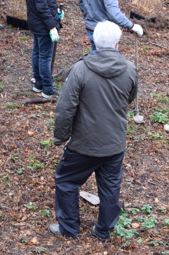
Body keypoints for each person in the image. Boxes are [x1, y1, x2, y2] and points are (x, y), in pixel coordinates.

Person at [50, 20, 138, 240]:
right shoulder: (129, 69)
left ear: (95, 43)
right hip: (114, 143)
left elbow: (65, 108)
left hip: (84, 144)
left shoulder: (80, 69)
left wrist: (61, 136)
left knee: (67, 181)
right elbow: (129, 97)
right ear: (117, 44)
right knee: (110, 188)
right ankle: (104, 230)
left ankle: (68, 228)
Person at [23, 0, 61, 99]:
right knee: (44, 56)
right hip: (42, 24)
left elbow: (47, 1)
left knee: (37, 52)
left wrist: (56, 11)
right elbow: (42, 6)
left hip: (36, 22)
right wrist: (52, 26)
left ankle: (39, 83)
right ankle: (47, 88)